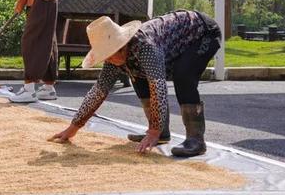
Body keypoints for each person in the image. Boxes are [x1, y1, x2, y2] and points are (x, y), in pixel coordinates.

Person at [50, 10, 221, 157]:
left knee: (183, 76)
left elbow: (158, 87)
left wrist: (153, 130)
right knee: (138, 78)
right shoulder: (114, 58)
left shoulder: (145, 46)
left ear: (121, 45)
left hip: (203, 33)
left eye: (110, 54)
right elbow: (99, 91)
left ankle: (196, 140)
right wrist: (73, 128)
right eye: (106, 55)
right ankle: (162, 132)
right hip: (174, 44)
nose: (108, 59)